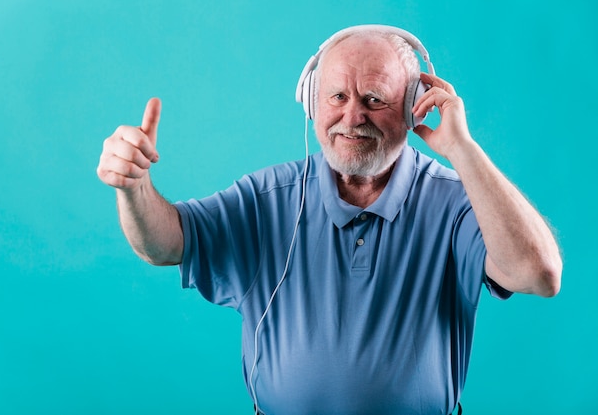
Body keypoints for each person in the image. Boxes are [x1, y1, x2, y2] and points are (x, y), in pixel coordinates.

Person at [97, 25, 562, 415]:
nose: (352, 115)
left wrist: (463, 149)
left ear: (414, 106)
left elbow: (539, 274)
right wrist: (134, 190)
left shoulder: (458, 203)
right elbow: (163, 245)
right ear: (312, 102)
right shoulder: (268, 198)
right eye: (337, 95)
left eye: (375, 99)